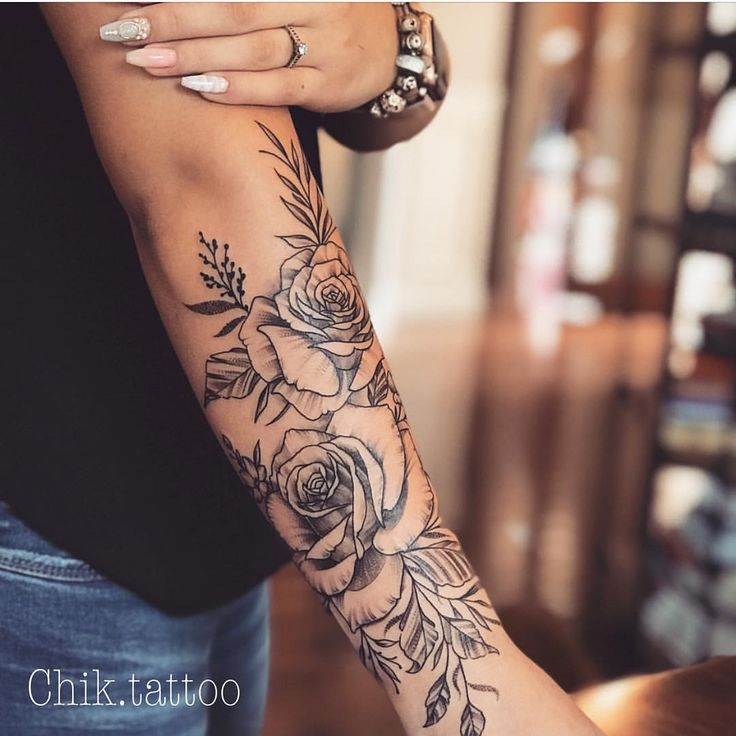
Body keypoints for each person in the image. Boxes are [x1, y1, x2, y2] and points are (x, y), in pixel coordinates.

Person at [0, 3, 603, 735]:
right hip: (61, 530)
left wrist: (396, 42)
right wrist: (464, 672)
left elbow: (350, 99)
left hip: (226, 505)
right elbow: (199, 167)